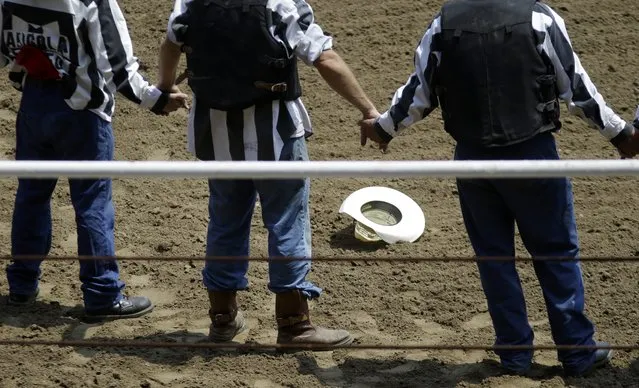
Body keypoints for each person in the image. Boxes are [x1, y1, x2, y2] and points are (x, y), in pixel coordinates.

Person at [360, 0, 639, 377]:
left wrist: (382, 128)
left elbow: (418, 94)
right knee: (555, 251)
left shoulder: (444, 22)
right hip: (532, 155)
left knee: (494, 258)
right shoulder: (538, 17)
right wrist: (621, 136)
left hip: (473, 159)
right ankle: (576, 352)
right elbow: (576, 89)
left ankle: (515, 355)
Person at [158, 0, 378, 347]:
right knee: (287, 220)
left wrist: (166, 86)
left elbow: (171, 43)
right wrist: (367, 108)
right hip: (276, 134)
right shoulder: (280, 3)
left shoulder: (190, 1)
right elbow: (324, 57)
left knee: (225, 219)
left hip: (216, 133)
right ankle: (294, 326)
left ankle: (223, 319)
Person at [1, 0, 188, 322]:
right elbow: (117, 66)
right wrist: (156, 100)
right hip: (83, 112)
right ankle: (102, 294)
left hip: (34, 103)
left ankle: (22, 283)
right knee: (92, 201)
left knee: (31, 194)